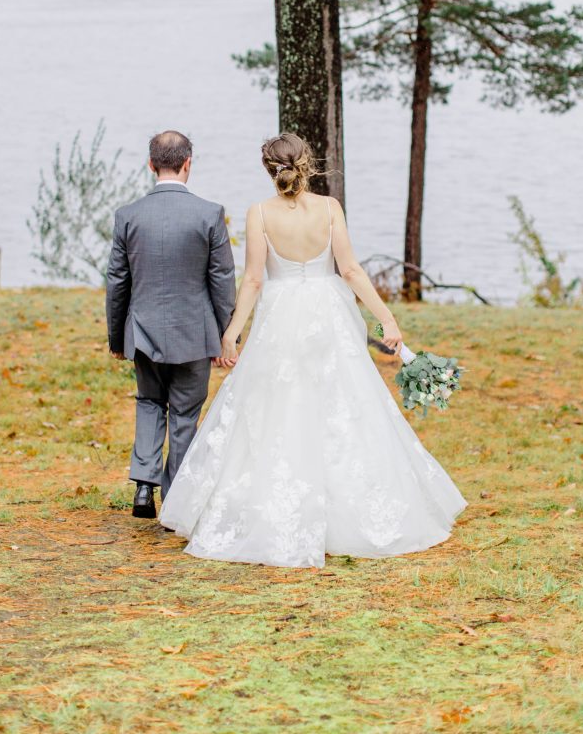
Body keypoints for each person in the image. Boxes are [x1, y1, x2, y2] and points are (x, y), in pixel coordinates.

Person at [159, 132, 467, 567]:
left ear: (269, 169)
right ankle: (350, 512)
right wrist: (387, 319)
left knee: (276, 406)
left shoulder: (259, 213)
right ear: (307, 164)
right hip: (328, 316)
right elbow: (352, 270)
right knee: (342, 403)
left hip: (280, 317)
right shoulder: (329, 208)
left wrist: (232, 332)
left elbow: (252, 281)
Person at [106, 130, 236, 519]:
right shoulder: (209, 214)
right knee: (184, 414)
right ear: (188, 164)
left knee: (149, 403)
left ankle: (143, 489)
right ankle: (175, 499)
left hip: (143, 333)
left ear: (151, 165)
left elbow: (117, 281)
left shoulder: (128, 216)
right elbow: (222, 281)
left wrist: (117, 336)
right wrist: (226, 333)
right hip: (195, 335)